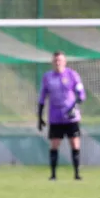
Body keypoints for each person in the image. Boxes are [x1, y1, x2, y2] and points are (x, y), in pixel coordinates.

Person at [37, 51, 86, 181]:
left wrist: (75, 106)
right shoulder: (47, 77)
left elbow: (81, 94)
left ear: (65, 62)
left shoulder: (72, 75)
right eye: (55, 60)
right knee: (54, 144)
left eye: (60, 60)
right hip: (55, 117)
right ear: (52, 62)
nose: (57, 62)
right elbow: (42, 97)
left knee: (75, 143)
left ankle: (77, 174)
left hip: (71, 117)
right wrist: (40, 117)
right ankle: (53, 175)